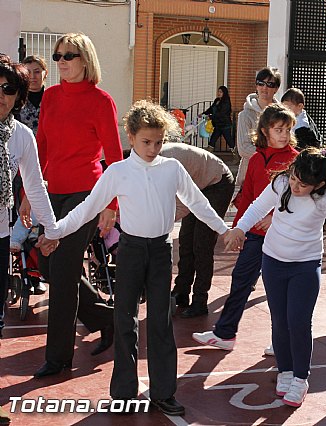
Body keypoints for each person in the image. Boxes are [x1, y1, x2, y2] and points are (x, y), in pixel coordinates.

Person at [42, 100, 231, 416]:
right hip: (129, 252)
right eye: (146, 142)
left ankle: (163, 392)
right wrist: (57, 231)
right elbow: (88, 208)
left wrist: (224, 230)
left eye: (158, 142)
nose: (153, 148)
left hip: (159, 252)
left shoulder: (172, 168)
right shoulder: (117, 171)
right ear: (130, 137)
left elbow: (198, 203)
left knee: (160, 323)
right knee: (124, 320)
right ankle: (124, 393)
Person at [224, 147, 326, 408]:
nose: (296, 186)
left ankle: (300, 378)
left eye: (303, 184)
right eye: (294, 178)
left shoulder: (325, 200)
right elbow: (257, 207)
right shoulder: (280, 183)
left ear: (319, 184)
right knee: (279, 320)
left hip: (305, 266)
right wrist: (240, 229)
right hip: (273, 262)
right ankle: (285, 371)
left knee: (299, 322)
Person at [33, 33, 122, 378]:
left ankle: (57, 359)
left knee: (66, 268)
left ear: (86, 59)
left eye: (69, 55)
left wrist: (110, 205)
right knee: (48, 263)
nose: (61, 62)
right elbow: (41, 147)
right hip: (52, 192)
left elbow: (115, 158)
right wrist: (30, 191)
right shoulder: (51, 97)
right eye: (57, 56)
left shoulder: (101, 101)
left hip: (87, 194)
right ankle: (106, 318)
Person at [193, 104, 298, 353]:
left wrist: (276, 218)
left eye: (287, 129)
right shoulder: (255, 159)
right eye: (278, 129)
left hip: (283, 237)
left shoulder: (297, 159)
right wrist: (238, 229)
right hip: (255, 236)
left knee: (280, 292)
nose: (283, 134)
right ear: (265, 130)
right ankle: (225, 334)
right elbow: (249, 197)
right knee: (240, 281)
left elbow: (300, 199)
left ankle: (283, 340)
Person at [0, 57, 58, 338]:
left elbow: (35, 186)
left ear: (19, 95)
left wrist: (51, 228)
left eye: (8, 88)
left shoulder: (21, 136)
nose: (1, 95)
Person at [161, 142, 235, 318]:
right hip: (198, 183)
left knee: (202, 243)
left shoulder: (168, 164)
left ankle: (200, 300)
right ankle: (181, 291)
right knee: (186, 240)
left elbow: (182, 206)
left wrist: (157, 226)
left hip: (217, 182)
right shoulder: (148, 162)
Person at [236, 67, 280, 186]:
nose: (264, 88)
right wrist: (272, 156)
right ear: (256, 86)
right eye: (261, 83)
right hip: (249, 177)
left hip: (277, 177)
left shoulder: (282, 116)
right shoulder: (245, 115)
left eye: (270, 84)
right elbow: (244, 148)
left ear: (276, 89)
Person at [16, 55, 47, 135]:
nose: (32, 76)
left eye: (37, 72)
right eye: (28, 72)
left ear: (45, 73)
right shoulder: (16, 100)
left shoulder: (52, 98)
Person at [202, 85, 233, 150]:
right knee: (212, 141)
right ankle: (208, 156)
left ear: (224, 93)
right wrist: (204, 113)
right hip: (217, 125)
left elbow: (221, 113)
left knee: (229, 141)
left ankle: (236, 156)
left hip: (225, 125)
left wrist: (210, 117)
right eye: (218, 92)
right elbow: (211, 109)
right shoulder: (216, 100)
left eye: (221, 92)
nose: (219, 93)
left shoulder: (226, 102)